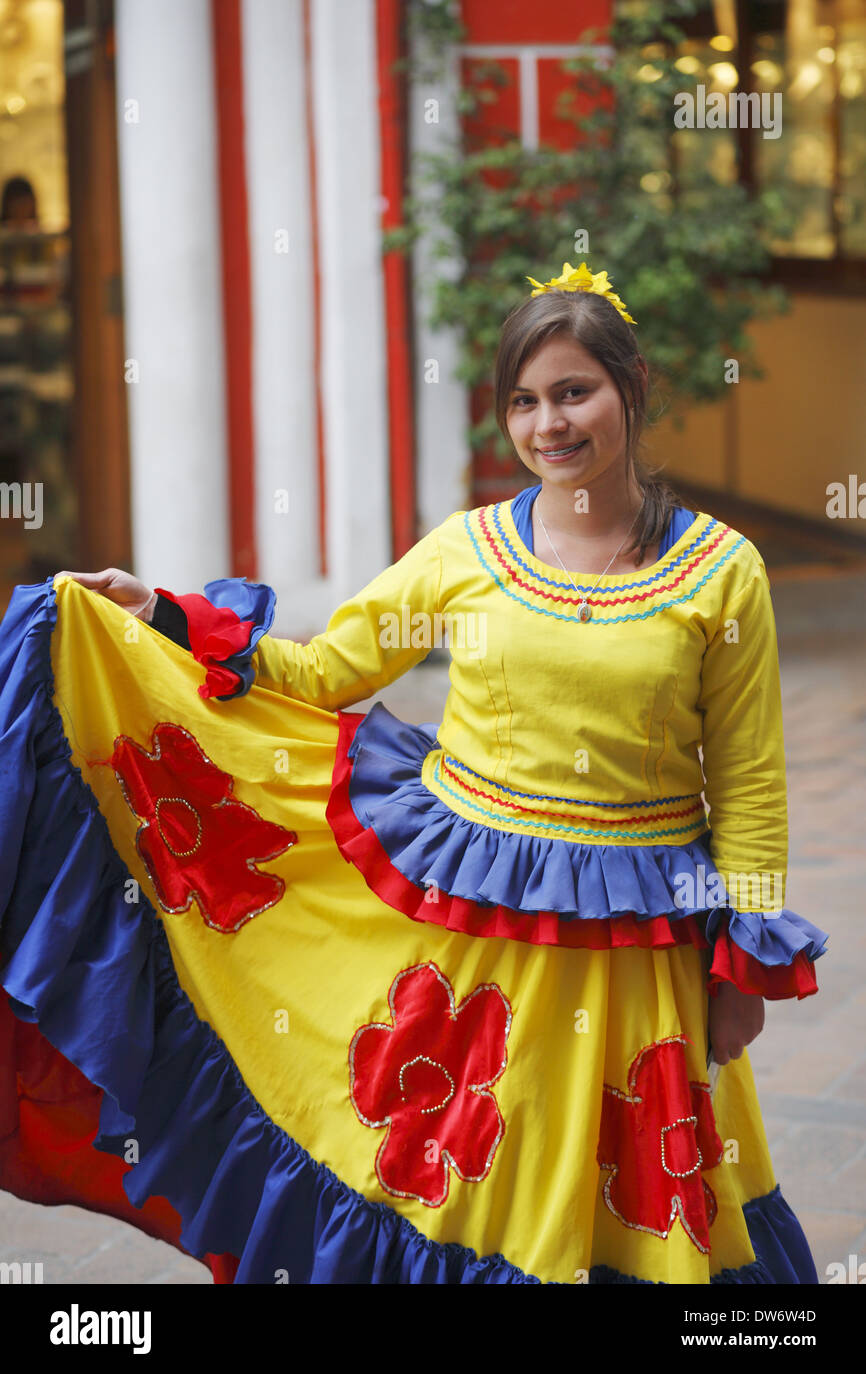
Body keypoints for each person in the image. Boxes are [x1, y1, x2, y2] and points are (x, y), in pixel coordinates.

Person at [0, 260, 826, 1284]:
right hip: (475, 943)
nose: (548, 425)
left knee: (635, 1213)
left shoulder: (720, 570)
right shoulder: (466, 551)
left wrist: (738, 968)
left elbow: (748, 789)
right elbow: (318, 670)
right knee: (483, 1197)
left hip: (638, 952)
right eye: (522, 402)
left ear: (633, 385)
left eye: (574, 391)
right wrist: (161, 616)